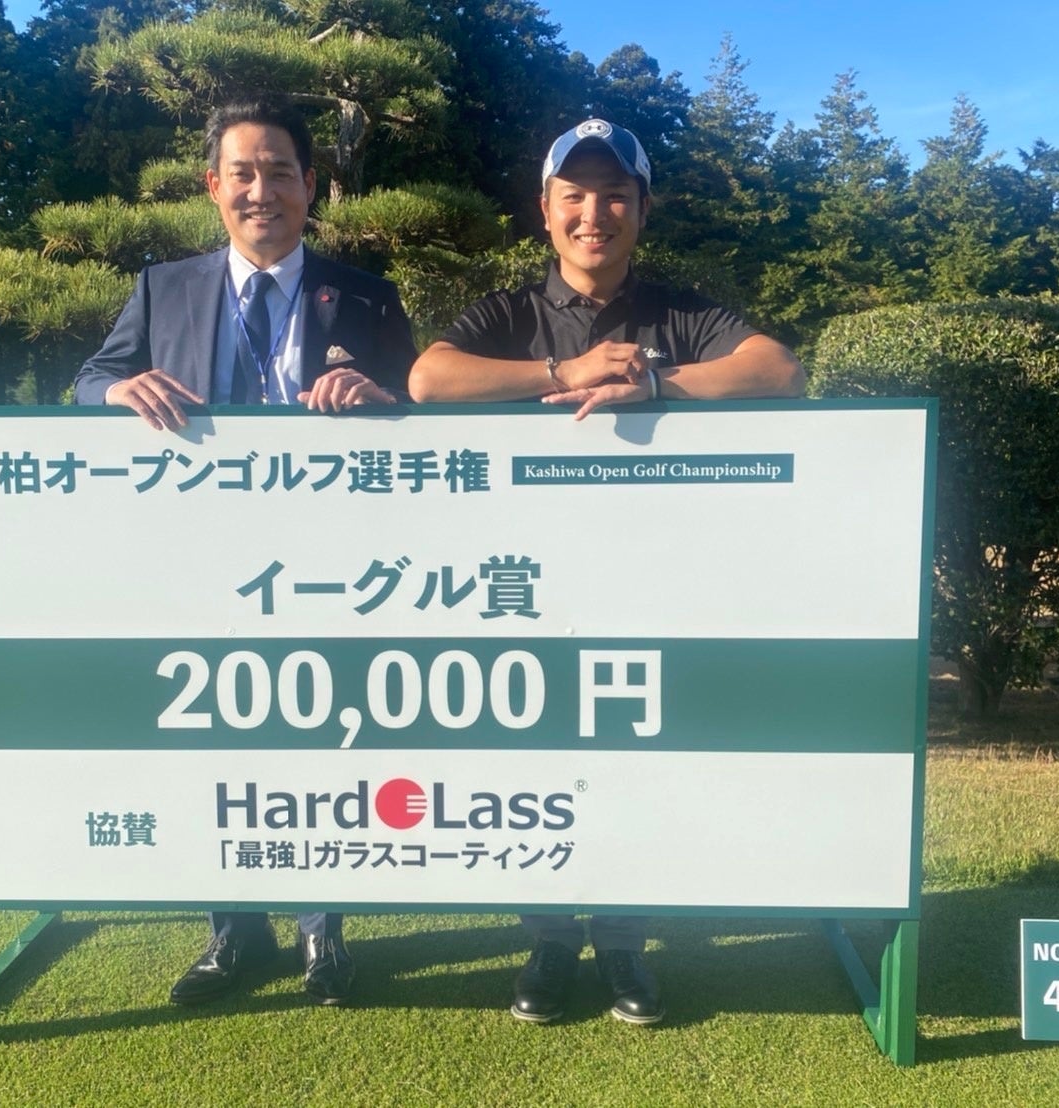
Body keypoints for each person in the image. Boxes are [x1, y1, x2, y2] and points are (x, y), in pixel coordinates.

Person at [408, 118, 805, 1026]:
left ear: (642, 208)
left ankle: (624, 943)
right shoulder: (509, 312)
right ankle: (550, 941)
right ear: (545, 209)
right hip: (526, 594)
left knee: (632, 770)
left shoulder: (680, 313)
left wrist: (660, 384)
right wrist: (568, 368)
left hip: (649, 590)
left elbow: (777, 369)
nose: (595, 213)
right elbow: (430, 379)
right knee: (539, 770)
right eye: (575, 196)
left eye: (615, 195)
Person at [75, 95, 417, 1007]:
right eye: (243, 173)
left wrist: (380, 398)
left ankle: (321, 932)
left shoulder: (368, 292)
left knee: (321, 733)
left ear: (312, 186)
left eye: (280, 172)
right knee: (215, 740)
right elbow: (91, 378)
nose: (261, 190)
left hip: (329, 564)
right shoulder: (164, 288)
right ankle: (234, 935)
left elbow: (417, 405)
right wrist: (117, 393)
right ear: (213, 187)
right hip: (198, 559)